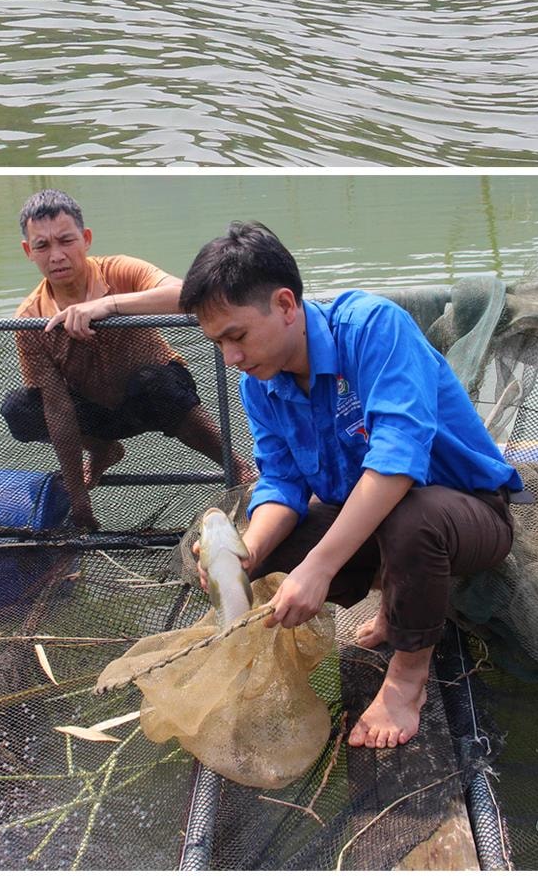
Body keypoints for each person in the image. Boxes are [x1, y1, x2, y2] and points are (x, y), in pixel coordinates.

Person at [181, 222, 520, 751]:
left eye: (237, 336)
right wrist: (247, 555)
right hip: (373, 525)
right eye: (217, 343)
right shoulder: (261, 385)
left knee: (412, 517)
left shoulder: (371, 327)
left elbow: (398, 461)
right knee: (268, 550)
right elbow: (282, 482)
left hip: (468, 514)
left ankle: (408, 679)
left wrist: (320, 568)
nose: (231, 358)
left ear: (287, 304)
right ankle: (395, 602)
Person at [0, 190, 249, 531]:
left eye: (66, 241)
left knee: (158, 384)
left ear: (85, 239)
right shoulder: (30, 319)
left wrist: (110, 305)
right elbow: (56, 408)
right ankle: (102, 450)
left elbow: (189, 294)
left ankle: (238, 469)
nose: (56, 255)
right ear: (29, 252)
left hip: (150, 398)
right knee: (19, 408)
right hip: (93, 413)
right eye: (42, 246)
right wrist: (78, 497)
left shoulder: (119, 271)